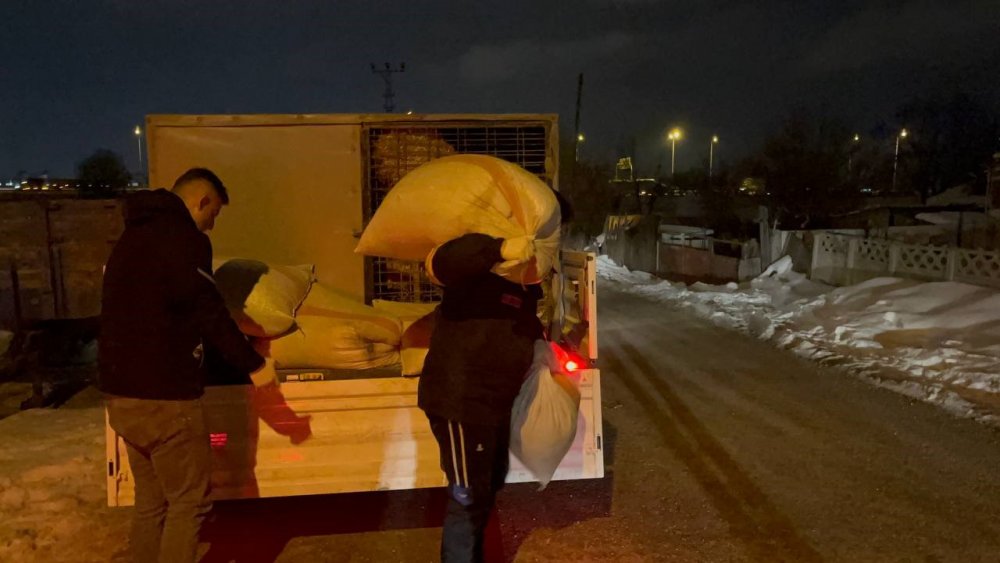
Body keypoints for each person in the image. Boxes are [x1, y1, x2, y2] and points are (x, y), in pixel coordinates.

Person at [99, 168, 266, 563]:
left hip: (121, 395)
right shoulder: (184, 240)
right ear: (202, 200)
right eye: (214, 215)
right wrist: (253, 364)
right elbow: (206, 310)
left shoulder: (132, 236)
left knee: (151, 504)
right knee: (188, 504)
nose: (211, 226)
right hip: (166, 398)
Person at [419, 191, 572, 563]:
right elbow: (442, 262)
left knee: (488, 484)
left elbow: (518, 319)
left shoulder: (519, 277)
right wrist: (500, 248)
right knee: (467, 494)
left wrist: (538, 343)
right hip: (461, 400)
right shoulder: (480, 256)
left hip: (495, 400)